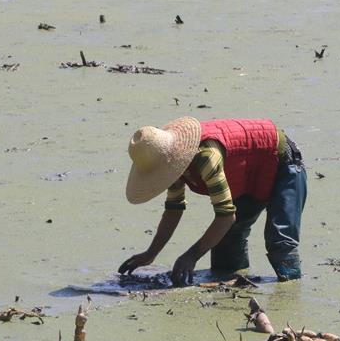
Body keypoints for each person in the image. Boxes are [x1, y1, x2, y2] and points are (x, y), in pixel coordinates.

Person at [119, 117, 307, 285]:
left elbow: (226, 217)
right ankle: (237, 289)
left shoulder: (206, 158)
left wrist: (191, 256)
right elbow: (174, 209)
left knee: (280, 243)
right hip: (247, 173)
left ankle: (291, 293)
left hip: (283, 162)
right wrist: (151, 253)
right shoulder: (173, 168)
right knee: (225, 245)